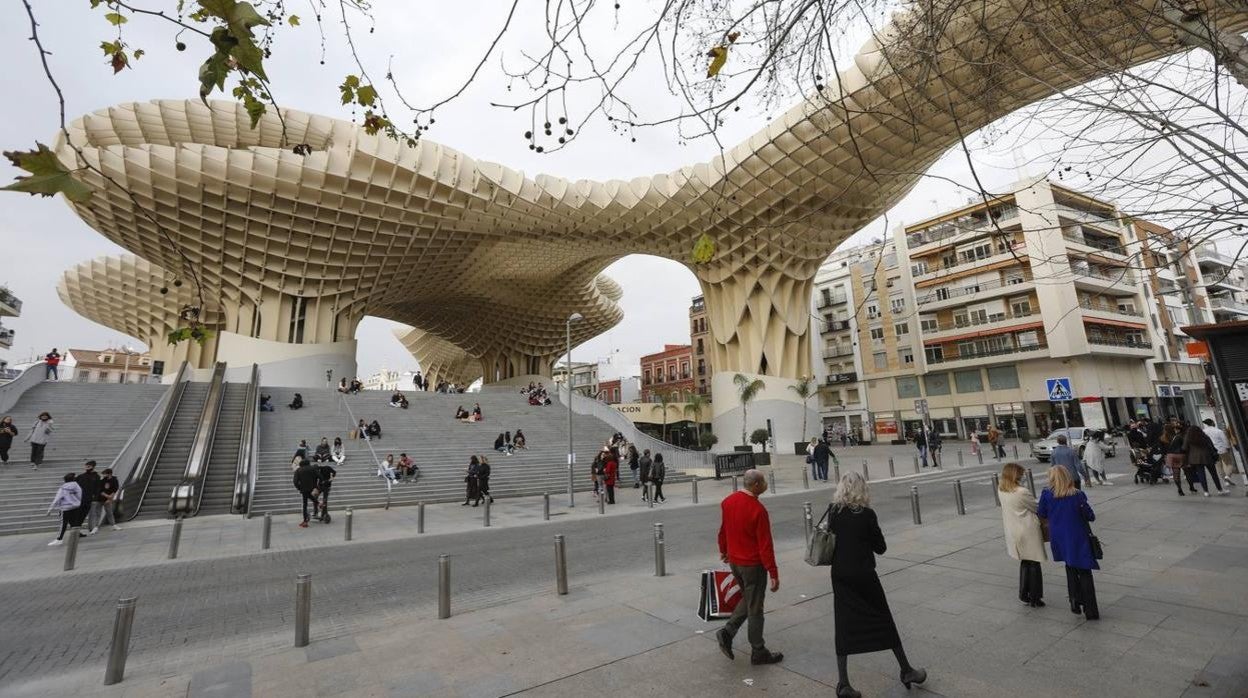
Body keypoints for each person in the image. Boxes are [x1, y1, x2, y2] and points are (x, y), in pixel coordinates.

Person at [825, 471, 926, 697]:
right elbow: (881, 547)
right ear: (862, 489)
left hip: (840, 575)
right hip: (863, 575)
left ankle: (843, 682)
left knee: (843, 624)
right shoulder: (867, 515)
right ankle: (906, 670)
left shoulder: (834, 512)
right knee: (882, 619)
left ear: (841, 488)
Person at [714, 469, 783, 666]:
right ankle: (758, 650)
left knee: (748, 597)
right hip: (753, 565)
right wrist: (773, 573)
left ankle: (727, 633)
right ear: (755, 485)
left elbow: (723, 530)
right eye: (763, 482)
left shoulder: (728, 501)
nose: (765, 485)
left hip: (735, 561)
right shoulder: (758, 510)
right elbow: (765, 544)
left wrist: (724, 550)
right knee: (755, 607)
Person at [1037, 465, 1099, 620]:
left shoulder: (1047, 494)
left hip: (1059, 537)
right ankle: (1090, 609)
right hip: (1078, 536)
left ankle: (1075, 601)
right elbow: (1090, 516)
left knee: (1070, 567)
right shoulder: (1077, 495)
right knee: (1085, 571)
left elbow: (1041, 513)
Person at [998, 463, 1046, 607]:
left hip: (1013, 529)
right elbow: (1036, 507)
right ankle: (1035, 597)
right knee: (1034, 562)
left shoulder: (1002, 489)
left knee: (1025, 561)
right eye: (1021, 473)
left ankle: (1024, 593)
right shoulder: (1021, 492)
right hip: (1027, 529)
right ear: (1015, 475)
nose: (1022, 476)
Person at [1184, 423, 1223, 496]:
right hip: (1207, 457)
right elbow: (1211, 446)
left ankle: (1206, 491)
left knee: (1201, 475)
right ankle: (1219, 489)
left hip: (1195, 459)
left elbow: (1184, 448)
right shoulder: (1204, 436)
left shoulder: (1188, 438)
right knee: (1214, 474)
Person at [46, 473, 85, 546]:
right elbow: (80, 496)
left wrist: (50, 509)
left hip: (65, 508)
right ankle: (75, 537)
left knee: (63, 524)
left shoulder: (63, 488)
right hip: (75, 507)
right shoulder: (77, 486)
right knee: (74, 523)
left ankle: (59, 539)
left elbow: (57, 499)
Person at [1203, 419, 1236, 488]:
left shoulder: (1204, 432)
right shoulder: (1218, 431)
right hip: (1222, 450)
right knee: (1230, 464)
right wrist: (1228, 447)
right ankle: (1227, 476)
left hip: (1212, 452)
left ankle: (1225, 481)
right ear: (1212, 423)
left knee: (1219, 466)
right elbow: (1225, 440)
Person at [1162, 423, 1191, 496]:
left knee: (1176, 473)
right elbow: (1184, 446)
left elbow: (1162, 450)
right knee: (1187, 471)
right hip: (1180, 455)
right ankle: (1191, 486)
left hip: (1171, 456)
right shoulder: (1178, 436)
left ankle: (1179, 489)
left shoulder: (1162, 438)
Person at [76, 460, 103, 535]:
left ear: (93, 467)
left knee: (92, 514)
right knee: (80, 516)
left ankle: (92, 528)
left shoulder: (96, 476)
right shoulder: (81, 476)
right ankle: (78, 530)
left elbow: (98, 488)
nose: (87, 467)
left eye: (89, 466)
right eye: (86, 466)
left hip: (91, 499)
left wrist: (95, 498)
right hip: (81, 499)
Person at [293, 459, 319, 528]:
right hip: (311, 487)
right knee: (308, 496)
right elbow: (319, 476)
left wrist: (299, 487)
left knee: (305, 505)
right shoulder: (312, 468)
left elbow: (295, 481)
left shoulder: (298, 470)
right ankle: (318, 503)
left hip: (303, 488)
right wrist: (315, 486)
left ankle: (305, 521)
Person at [97, 467, 121, 532]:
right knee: (98, 513)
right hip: (100, 499)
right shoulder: (102, 480)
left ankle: (113, 525)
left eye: (104, 474)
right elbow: (100, 490)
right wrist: (107, 496)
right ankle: (96, 526)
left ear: (109, 474)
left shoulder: (114, 480)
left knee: (109, 512)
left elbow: (115, 489)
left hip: (108, 499)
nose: (103, 475)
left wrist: (110, 498)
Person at [315, 458, 336, 522]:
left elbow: (334, 472)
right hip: (321, 486)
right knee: (316, 498)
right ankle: (317, 511)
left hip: (326, 486)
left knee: (324, 500)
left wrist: (331, 479)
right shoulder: (316, 472)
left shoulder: (327, 468)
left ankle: (323, 514)